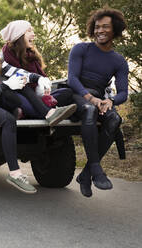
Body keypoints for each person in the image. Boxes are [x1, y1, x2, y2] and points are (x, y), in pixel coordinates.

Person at [0, 16, 75, 194]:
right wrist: (7, 85)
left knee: (20, 83)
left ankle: (48, 114)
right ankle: (15, 174)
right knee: (7, 119)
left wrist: (37, 78)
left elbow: (12, 71)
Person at [67, 7, 128, 197]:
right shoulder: (81, 49)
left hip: (99, 98)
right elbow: (72, 80)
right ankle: (96, 169)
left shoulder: (119, 61)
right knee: (89, 109)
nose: (99, 30)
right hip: (77, 95)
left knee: (114, 120)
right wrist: (91, 99)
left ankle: (85, 175)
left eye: (105, 27)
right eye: (97, 26)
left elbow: (124, 92)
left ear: (115, 30)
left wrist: (110, 101)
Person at [0, 20, 76, 119]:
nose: (33, 34)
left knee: (67, 92)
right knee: (23, 83)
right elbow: (18, 78)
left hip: (36, 97)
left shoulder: (31, 54)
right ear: (18, 35)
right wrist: (36, 79)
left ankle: (37, 111)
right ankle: (47, 112)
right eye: (29, 31)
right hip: (18, 96)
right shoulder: (4, 56)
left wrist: (45, 86)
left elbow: (42, 78)